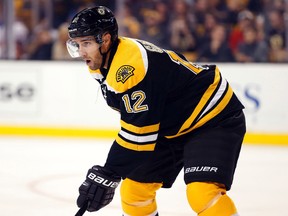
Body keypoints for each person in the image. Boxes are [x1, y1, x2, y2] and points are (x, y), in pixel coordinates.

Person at [67, 6, 246, 216]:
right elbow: (141, 125)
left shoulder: (129, 67)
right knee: (134, 193)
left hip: (212, 118)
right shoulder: (101, 62)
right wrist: (111, 172)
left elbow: (138, 136)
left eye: (86, 43)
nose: (81, 52)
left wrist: (109, 172)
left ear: (105, 40)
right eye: (77, 44)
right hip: (169, 125)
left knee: (202, 193)